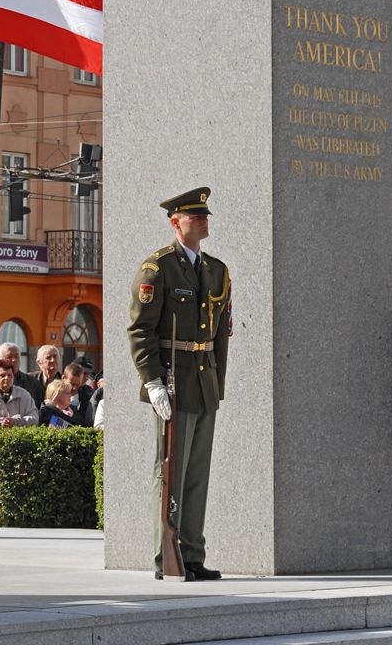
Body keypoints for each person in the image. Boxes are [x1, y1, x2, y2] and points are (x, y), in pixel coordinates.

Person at [128, 186, 232, 582]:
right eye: (194, 216)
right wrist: (152, 382)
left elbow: (221, 333)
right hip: (172, 381)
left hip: (203, 382)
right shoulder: (158, 268)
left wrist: (217, 383)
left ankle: (192, 555)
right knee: (169, 471)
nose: (203, 220)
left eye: (205, 215)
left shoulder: (216, 270)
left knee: (196, 475)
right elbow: (140, 330)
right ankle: (165, 556)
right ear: (175, 222)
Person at [0, 342, 43, 409]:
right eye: (9, 357)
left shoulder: (33, 383)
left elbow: (40, 409)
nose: (14, 360)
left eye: (17, 356)